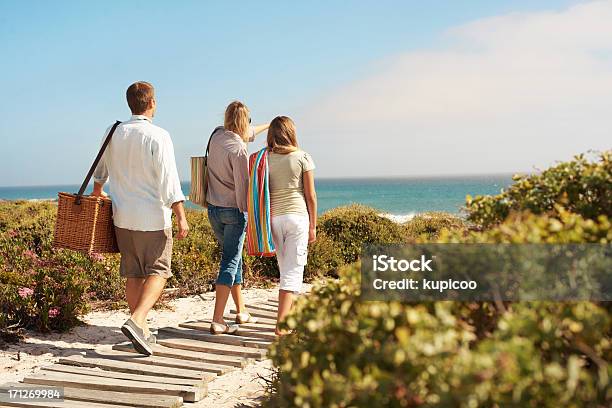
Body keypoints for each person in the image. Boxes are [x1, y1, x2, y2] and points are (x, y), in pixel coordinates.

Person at [92, 81, 189, 355]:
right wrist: (181, 215)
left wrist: (99, 192)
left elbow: (100, 170)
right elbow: (169, 180)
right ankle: (137, 320)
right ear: (151, 103)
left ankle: (142, 330)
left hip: (122, 216)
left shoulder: (113, 132)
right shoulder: (159, 135)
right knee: (159, 271)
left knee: (133, 273)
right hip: (153, 217)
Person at [207, 101, 269, 334]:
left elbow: (248, 133)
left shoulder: (216, 136)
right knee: (230, 261)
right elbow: (243, 188)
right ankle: (217, 319)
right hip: (234, 211)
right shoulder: (239, 150)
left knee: (234, 258)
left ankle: (241, 311)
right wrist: (251, 217)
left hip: (213, 210)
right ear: (245, 122)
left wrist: (269, 125)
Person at [266, 116, 317, 335]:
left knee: (285, 270)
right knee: (293, 272)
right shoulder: (303, 157)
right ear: (291, 132)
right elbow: (311, 195)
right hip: (297, 218)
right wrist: (313, 225)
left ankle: (289, 319)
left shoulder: (265, 159)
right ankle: (282, 325)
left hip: (274, 219)